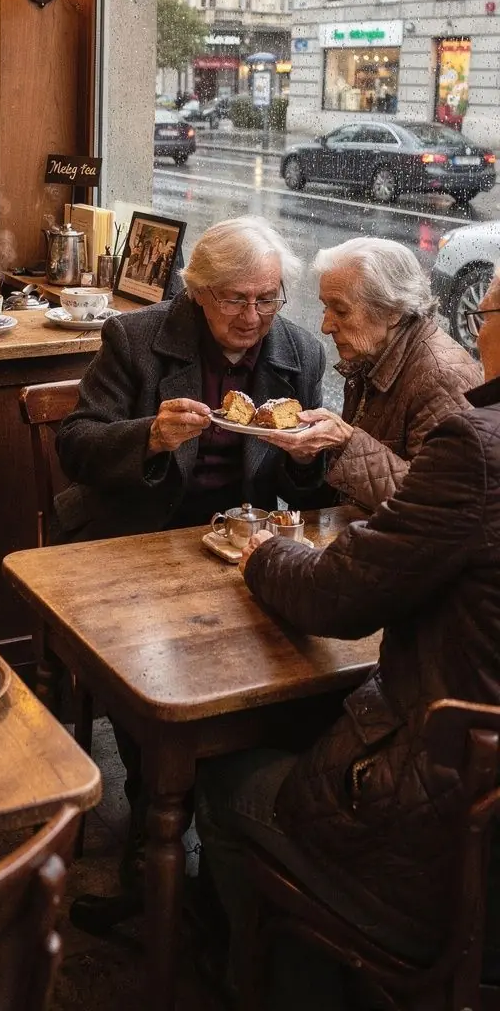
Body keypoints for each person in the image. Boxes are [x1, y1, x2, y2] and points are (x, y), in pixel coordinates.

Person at [195, 268, 500, 1008]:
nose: (476, 325)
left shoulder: (474, 445)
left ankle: (258, 980)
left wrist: (261, 552)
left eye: (487, 309)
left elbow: (337, 599)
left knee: (222, 778)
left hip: (444, 827)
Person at [53, 216, 327, 544]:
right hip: (133, 529)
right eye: (235, 300)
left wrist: (305, 457)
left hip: (241, 539)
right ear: (198, 291)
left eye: (267, 300)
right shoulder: (134, 338)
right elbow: (74, 446)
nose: (252, 317)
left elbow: (310, 500)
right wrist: (151, 437)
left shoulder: (302, 354)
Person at [260, 237, 481, 511]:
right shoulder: (374, 353)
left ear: (392, 312)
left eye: (340, 310)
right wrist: (306, 458)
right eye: (325, 307)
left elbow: (436, 503)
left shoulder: (440, 376)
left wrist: (345, 441)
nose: (326, 326)